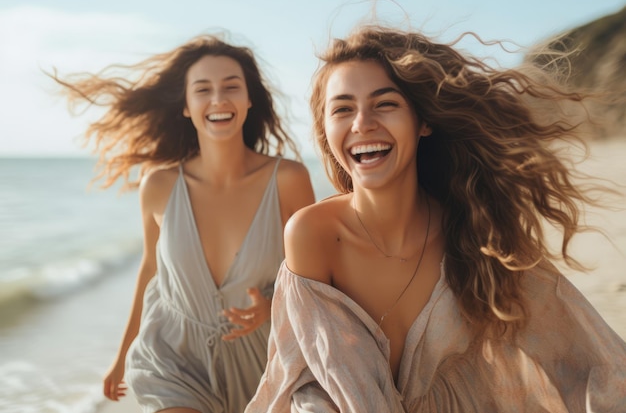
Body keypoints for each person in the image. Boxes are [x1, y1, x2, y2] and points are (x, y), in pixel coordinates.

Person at [245, 25, 626, 412]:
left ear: (423, 121)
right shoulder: (312, 234)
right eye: (342, 108)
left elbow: (588, 354)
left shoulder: (477, 231)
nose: (362, 123)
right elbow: (302, 375)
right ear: (326, 131)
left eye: (385, 103)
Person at [50, 34, 315, 412]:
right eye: (202, 89)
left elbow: (317, 272)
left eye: (231, 87)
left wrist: (271, 305)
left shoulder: (288, 180)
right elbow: (149, 271)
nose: (218, 99)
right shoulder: (159, 187)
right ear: (187, 106)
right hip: (176, 358)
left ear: (249, 99)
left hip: (266, 361)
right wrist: (123, 353)